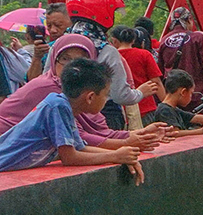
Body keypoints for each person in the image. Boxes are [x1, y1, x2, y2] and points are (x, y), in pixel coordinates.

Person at [0, 34, 165, 149]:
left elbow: (96, 132)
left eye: (81, 60)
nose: (73, 66)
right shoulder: (52, 90)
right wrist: (128, 141)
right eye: (65, 59)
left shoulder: (80, 92)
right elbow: (78, 139)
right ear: (54, 59)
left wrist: (141, 134)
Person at [0, 58, 145, 185]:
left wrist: (121, 155)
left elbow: (80, 148)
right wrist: (114, 156)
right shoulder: (57, 106)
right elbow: (69, 157)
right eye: (106, 94)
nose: (106, 99)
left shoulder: (64, 107)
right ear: (90, 97)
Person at [66, 0, 157, 130]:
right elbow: (121, 95)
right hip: (103, 117)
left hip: (68, 117)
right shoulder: (106, 50)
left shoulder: (59, 46)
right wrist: (141, 92)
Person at [109, 25, 166, 126]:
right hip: (146, 107)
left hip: (121, 109)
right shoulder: (144, 55)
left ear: (114, 41)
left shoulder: (111, 58)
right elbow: (156, 82)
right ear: (133, 40)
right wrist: (166, 104)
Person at [157, 7, 203, 106]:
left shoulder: (164, 40)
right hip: (196, 96)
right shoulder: (197, 38)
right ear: (189, 20)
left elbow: (160, 71)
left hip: (174, 97)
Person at [152, 70, 203, 136]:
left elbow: (195, 118)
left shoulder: (173, 109)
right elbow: (175, 133)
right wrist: (202, 131)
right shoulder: (164, 111)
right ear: (183, 92)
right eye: (191, 93)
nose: (191, 97)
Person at [25, 3, 72, 81]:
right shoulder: (47, 49)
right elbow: (31, 81)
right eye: (49, 26)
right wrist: (37, 57)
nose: (53, 30)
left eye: (58, 25)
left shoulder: (86, 46)